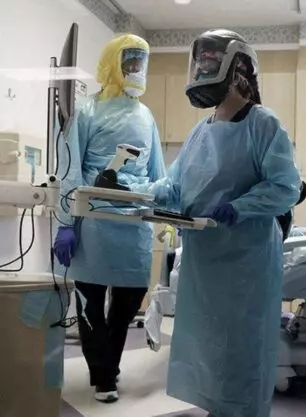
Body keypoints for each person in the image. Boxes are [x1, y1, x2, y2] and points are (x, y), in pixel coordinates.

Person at [138, 29, 301, 417]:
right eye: (201, 62)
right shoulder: (201, 130)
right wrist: (140, 193)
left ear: (238, 69)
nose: (203, 69)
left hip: (246, 261)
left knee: (241, 345)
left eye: (212, 61)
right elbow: (176, 186)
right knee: (208, 344)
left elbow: (285, 187)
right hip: (204, 260)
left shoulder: (262, 124)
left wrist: (240, 207)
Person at [53, 34, 166, 403]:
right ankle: (103, 377)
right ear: (112, 64)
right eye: (130, 62)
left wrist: (166, 217)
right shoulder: (87, 111)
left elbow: (158, 173)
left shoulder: (145, 115)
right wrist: (66, 223)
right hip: (95, 222)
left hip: (134, 223)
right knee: (90, 303)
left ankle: (108, 366)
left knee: (128, 303)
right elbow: (70, 169)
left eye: (141, 63)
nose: (136, 69)